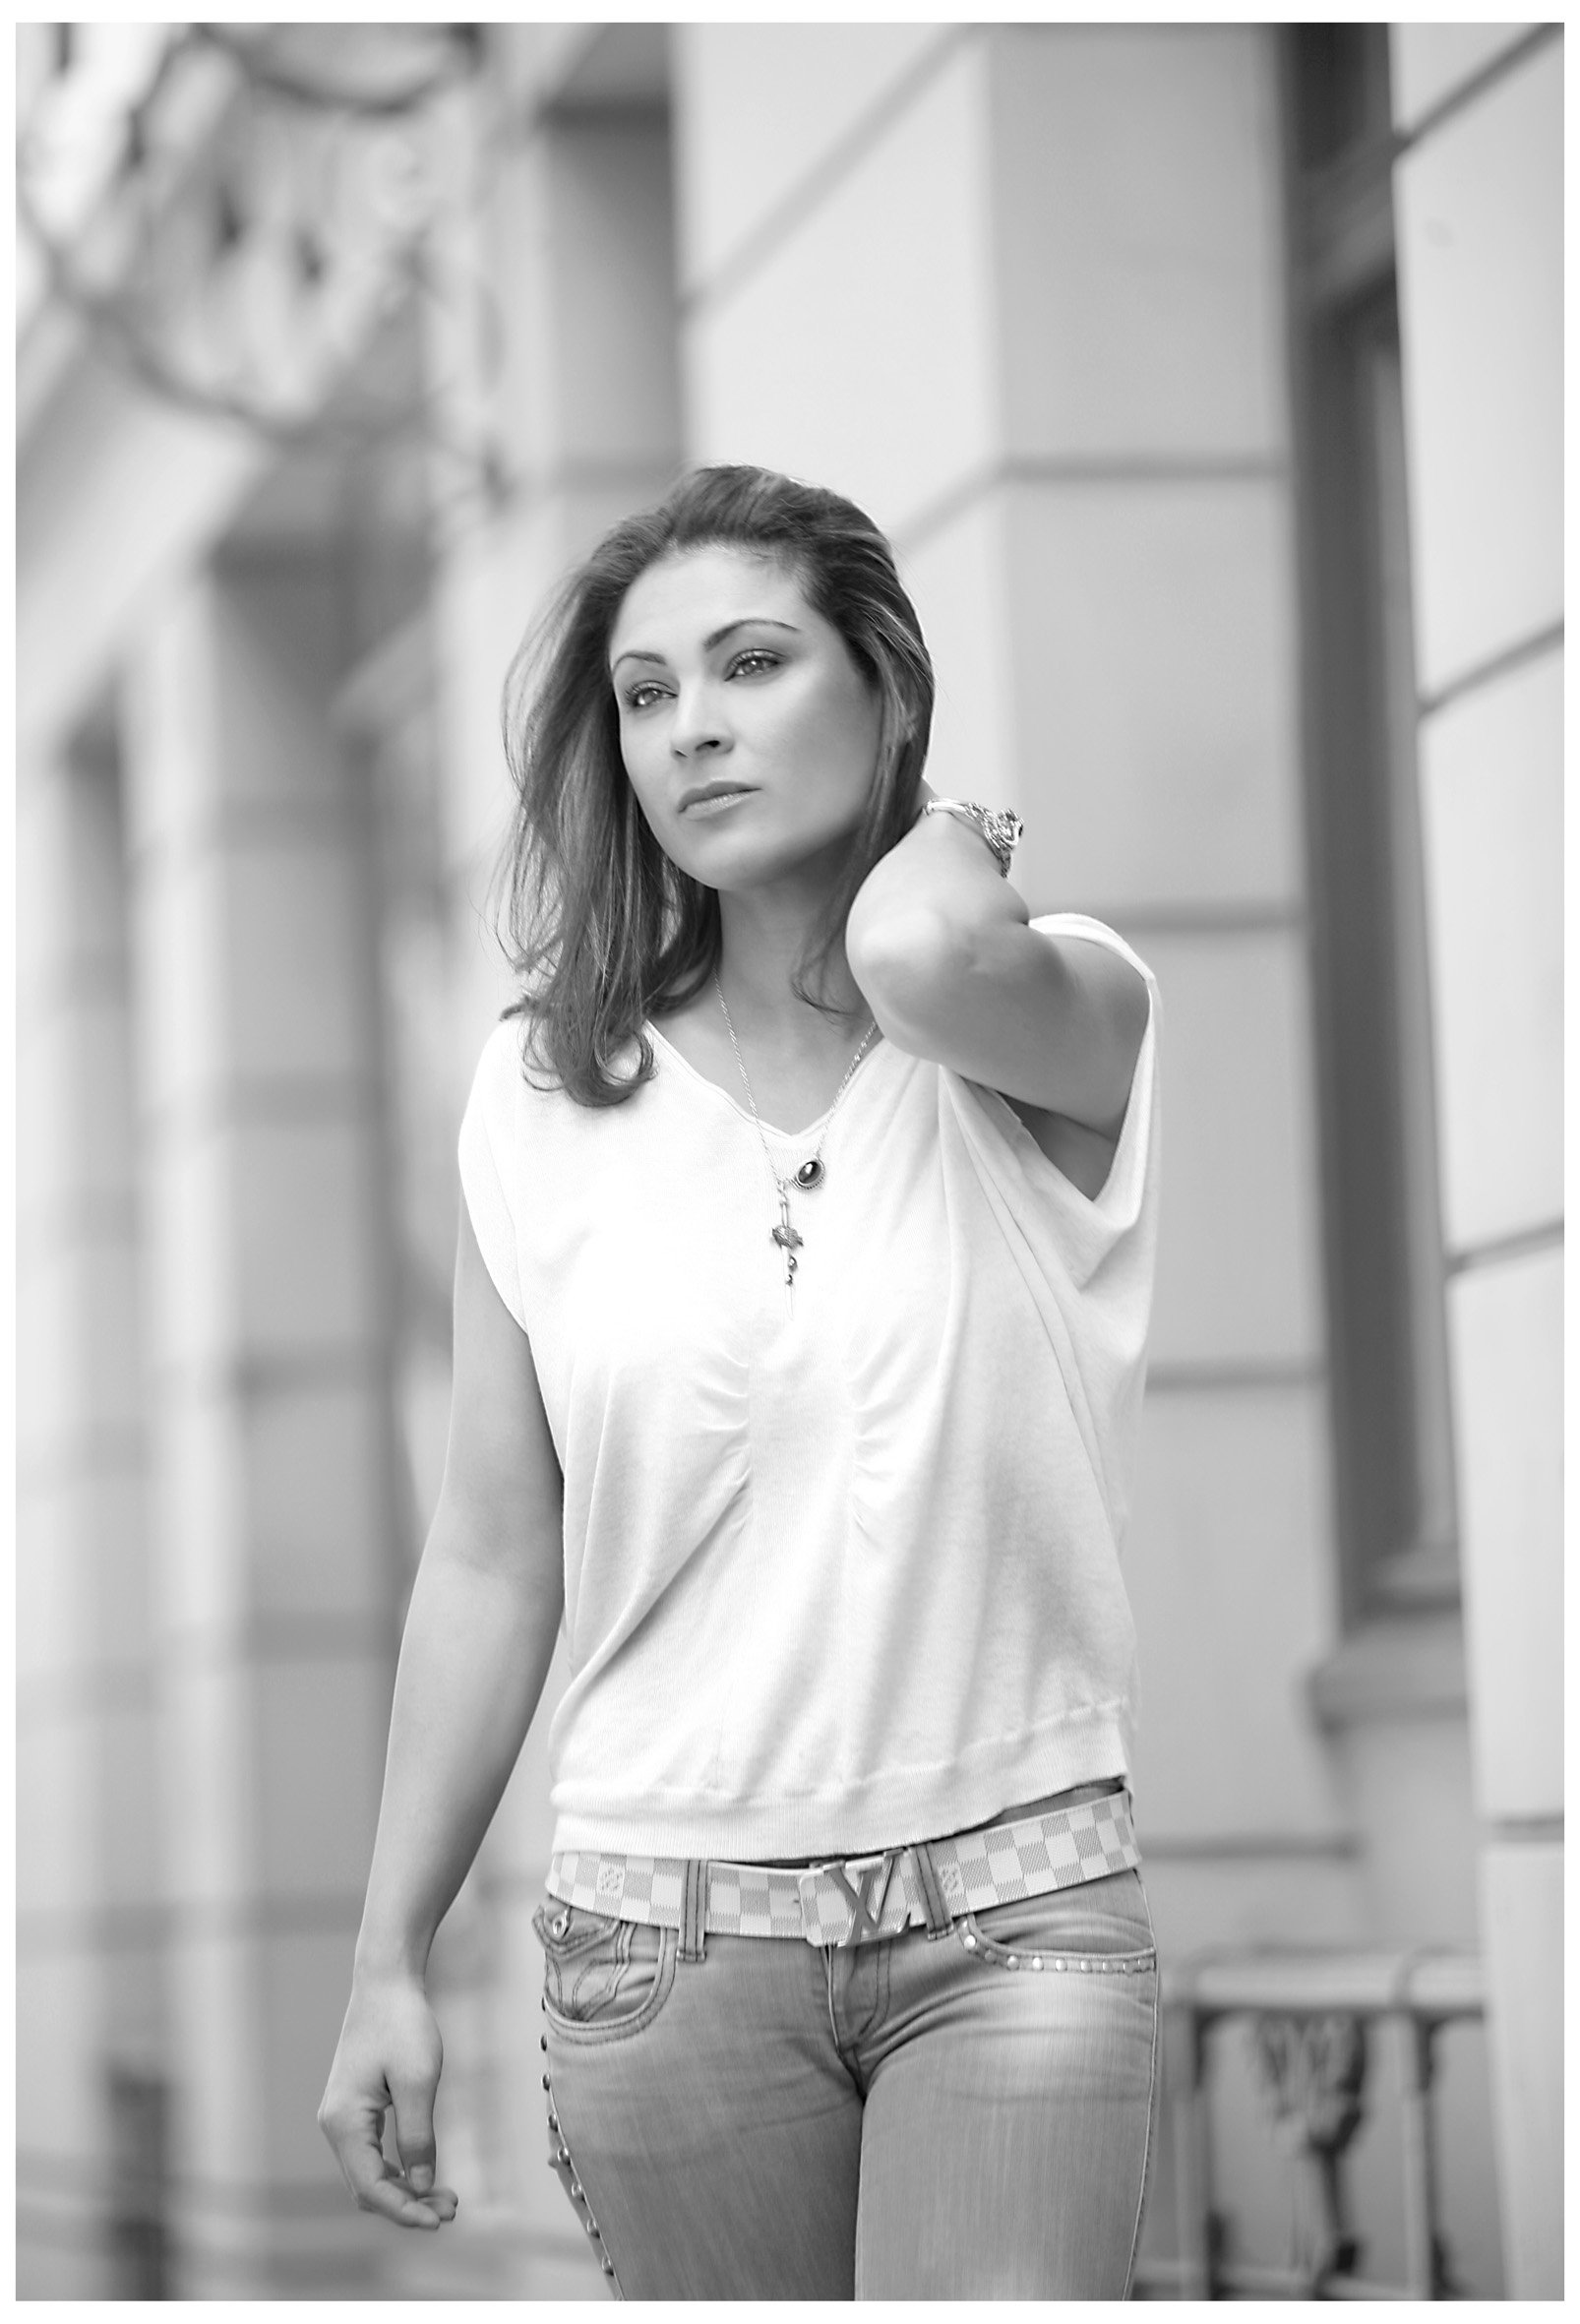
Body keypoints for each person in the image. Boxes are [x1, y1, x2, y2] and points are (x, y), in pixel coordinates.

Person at [318, 463, 1163, 2298]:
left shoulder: (1053, 1014)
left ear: (884, 684)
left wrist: (949, 829)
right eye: (643, 694)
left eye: (753, 662)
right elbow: (487, 1550)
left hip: (1014, 1917)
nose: (690, 725)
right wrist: (389, 1948)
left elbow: (923, 952)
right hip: (658, 1946)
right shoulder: (544, 1096)